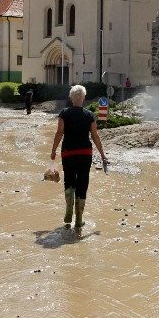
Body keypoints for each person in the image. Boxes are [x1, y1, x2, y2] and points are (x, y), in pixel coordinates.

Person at [50, 85, 108, 230]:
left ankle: (68, 209)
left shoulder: (64, 113)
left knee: (69, 180)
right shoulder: (89, 115)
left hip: (68, 152)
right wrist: (102, 154)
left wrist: (53, 150)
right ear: (83, 98)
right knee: (83, 182)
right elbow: (95, 136)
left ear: (71, 97)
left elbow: (59, 133)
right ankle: (79, 219)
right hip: (85, 153)